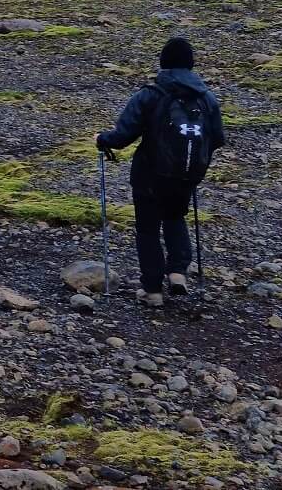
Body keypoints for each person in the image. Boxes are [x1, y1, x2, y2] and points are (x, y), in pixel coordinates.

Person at [96, 37, 226, 307]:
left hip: (150, 173)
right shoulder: (207, 98)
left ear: (163, 63)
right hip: (188, 174)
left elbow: (123, 135)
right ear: (191, 65)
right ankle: (178, 272)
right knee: (176, 216)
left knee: (147, 229)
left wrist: (102, 139)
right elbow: (218, 138)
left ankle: (153, 290)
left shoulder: (151, 93)